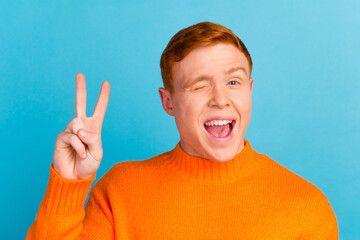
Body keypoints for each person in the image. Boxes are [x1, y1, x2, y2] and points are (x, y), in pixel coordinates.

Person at [26, 22, 339, 239]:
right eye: (199, 85)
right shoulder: (119, 191)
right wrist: (68, 184)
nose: (220, 99)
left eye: (233, 82)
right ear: (169, 102)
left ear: (250, 89)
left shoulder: (306, 206)